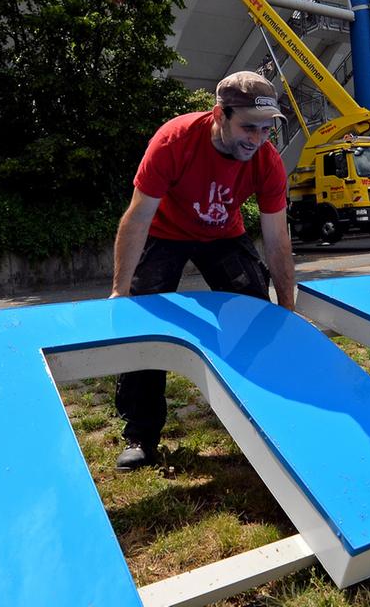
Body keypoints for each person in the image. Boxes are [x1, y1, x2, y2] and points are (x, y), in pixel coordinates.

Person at [109, 70, 297, 470]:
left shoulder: (266, 162)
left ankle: (260, 411)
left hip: (222, 235)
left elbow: (278, 240)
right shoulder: (174, 141)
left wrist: (287, 307)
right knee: (143, 322)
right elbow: (138, 217)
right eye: (249, 127)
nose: (258, 139)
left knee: (254, 315)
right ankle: (141, 434)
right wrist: (120, 292)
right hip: (165, 233)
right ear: (219, 115)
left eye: (267, 130)